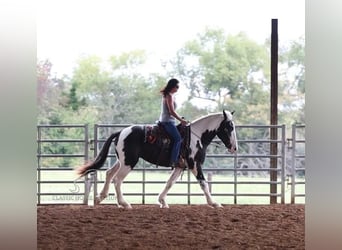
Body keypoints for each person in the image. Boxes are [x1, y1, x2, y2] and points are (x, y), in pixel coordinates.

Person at [159, 78, 188, 168]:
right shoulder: (169, 96)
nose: (177, 89)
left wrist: (179, 118)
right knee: (178, 139)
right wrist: (181, 120)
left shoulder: (169, 95)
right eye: (177, 86)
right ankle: (174, 161)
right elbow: (171, 111)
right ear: (172, 86)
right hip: (167, 121)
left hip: (169, 120)